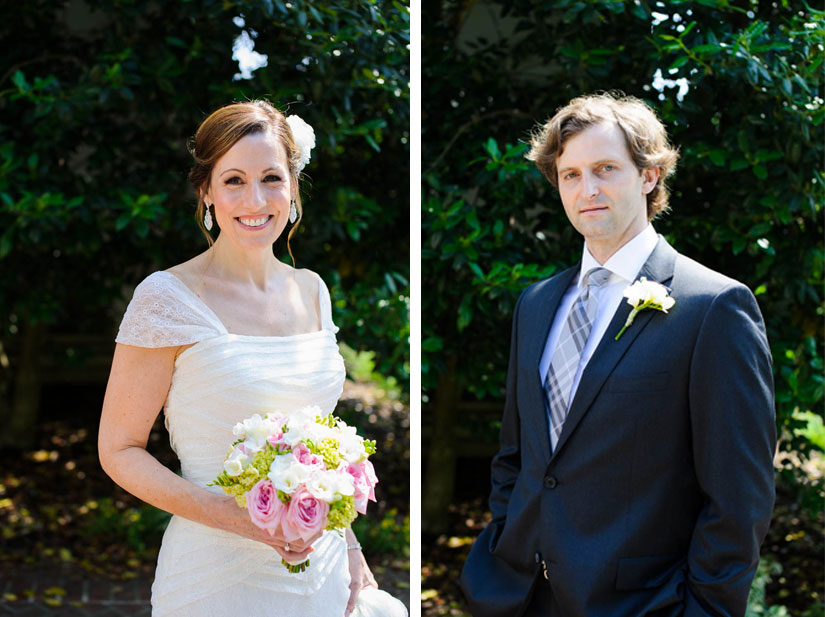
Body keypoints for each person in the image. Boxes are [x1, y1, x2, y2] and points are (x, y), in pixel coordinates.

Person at [460, 93, 776, 617]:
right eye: (570, 174)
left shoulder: (713, 307)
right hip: (514, 595)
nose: (588, 190)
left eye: (606, 169)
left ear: (649, 175)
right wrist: (499, 547)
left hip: (639, 603)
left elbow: (739, 497)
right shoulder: (536, 304)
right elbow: (517, 456)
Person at [98, 100, 407, 617]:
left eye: (271, 178)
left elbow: (319, 446)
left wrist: (351, 550)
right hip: (215, 575)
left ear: (293, 188)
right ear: (206, 192)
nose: (255, 199)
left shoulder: (311, 290)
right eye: (234, 180)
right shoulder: (167, 298)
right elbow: (119, 449)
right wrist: (237, 518)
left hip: (323, 567)